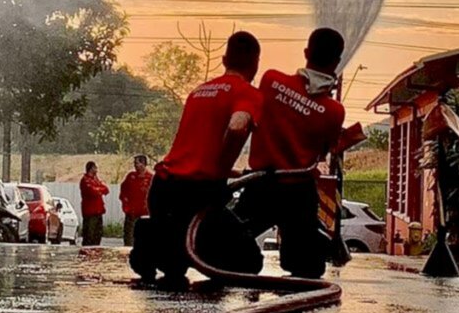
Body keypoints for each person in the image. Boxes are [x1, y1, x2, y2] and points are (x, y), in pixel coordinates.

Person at [130, 31, 264, 288]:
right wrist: (221, 171)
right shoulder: (248, 93)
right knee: (249, 263)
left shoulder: (199, 91)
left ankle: (152, 240)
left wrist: (225, 170)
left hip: (163, 189)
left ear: (224, 59)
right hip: (196, 193)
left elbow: (195, 146)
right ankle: (153, 239)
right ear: (256, 63)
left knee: (175, 264)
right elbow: (237, 126)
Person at [236, 27, 347, 278]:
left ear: (306, 52)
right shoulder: (334, 111)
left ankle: (243, 254)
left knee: (228, 234)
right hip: (298, 192)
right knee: (307, 267)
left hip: (260, 184)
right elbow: (322, 153)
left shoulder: (271, 80)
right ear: (337, 62)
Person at [120, 154, 153, 246]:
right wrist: (125, 205)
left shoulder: (151, 178)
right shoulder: (131, 176)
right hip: (132, 214)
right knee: (129, 238)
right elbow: (123, 191)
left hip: (145, 215)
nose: (135, 165)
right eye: (134, 163)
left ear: (143, 164)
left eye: (137, 163)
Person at [79, 160, 109, 246]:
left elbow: (106, 189)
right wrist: (99, 189)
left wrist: (99, 189)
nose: (97, 170)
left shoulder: (96, 180)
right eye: (95, 168)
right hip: (90, 212)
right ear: (91, 168)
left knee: (97, 234)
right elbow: (92, 191)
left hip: (98, 211)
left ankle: (96, 253)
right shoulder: (85, 180)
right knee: (89, 235)